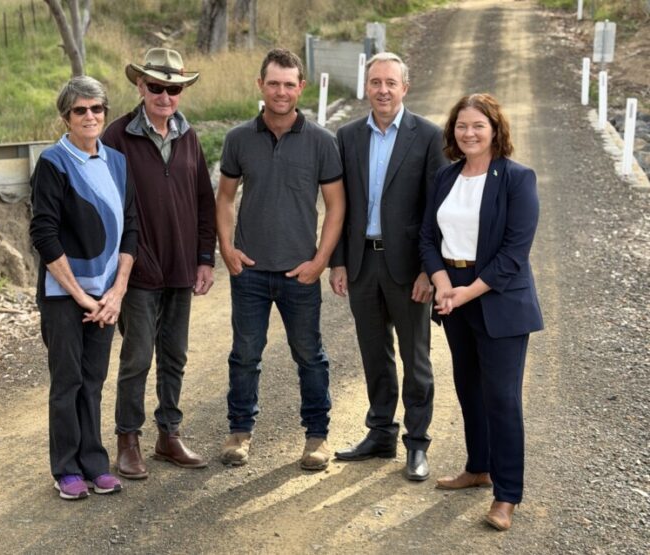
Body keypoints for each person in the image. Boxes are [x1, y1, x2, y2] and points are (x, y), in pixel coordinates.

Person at [419, 93, 544, 531]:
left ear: (495, 130)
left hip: (499, 298)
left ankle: (506, 495)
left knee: (502, 399)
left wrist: (464, 291)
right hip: (452, 293)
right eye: (461, 126)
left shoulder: (517, 178)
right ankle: (478, 468)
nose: (468, 133)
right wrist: (440, 282)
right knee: (469, 388)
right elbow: (427, 237)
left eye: (478, 126)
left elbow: (514, 254)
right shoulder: (445, 176)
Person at [216, 48, 345, 471]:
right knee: (245, 355)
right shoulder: (238, 139)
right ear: (261, 85)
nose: (281, 91)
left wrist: (320, 261)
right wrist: (226, 248)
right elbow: (225, 197)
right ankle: (239, 431)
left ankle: (316, 437)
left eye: (289, 84)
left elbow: (336, 206)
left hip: (299, 272)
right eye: (274, 83)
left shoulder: (322, 142)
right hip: (250, 270)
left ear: (301, 88)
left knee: (310, 355)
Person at [329, 52, 446, 481]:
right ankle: (380, 433)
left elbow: (438, 208)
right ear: (366, 86)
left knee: (416, 360)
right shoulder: (346, 136)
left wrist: (428, 271)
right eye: (375, 82)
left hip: (409, 268)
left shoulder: (430, 137)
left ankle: (417, 445)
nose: (382, 89)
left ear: (404, 88)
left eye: (390, 83)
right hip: (362, 263)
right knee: (374, 354)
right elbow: (339, 207)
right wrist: (338, 261)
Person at [102, 48, 216, 479]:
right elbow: (105, 206)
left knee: (176, 355)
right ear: (140, 87)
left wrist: (205, 258)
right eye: (156, 87)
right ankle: (127, 440)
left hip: (181, 268)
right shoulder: (116, 137)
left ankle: (169, 435)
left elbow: (204, 201)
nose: (165, 95)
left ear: (181, 92)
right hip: (138, 272)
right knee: (137, 356)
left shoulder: (188, 136)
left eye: (173, 88)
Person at [30, 76, 138, 500]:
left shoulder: (117, 162)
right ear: (66, 117)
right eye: (80, 110)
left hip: (107, 295)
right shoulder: (53, 163)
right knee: (68, 381)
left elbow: (131, 227)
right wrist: (81, 296)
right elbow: (44, 233)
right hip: (65, 296)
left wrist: (116, 293)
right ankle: (66, 469)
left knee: (93, 380)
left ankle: (95, 463)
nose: (90, 116)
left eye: (96, 108)